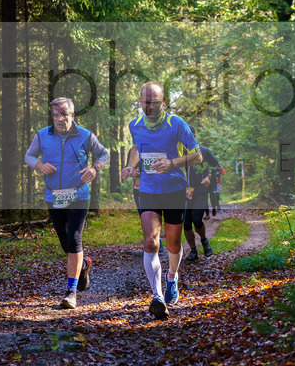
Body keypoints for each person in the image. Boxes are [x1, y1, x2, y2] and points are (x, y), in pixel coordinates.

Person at [120, 82, 201, 320]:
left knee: (173, 245)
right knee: (151, 242)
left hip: (174, 189)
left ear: (163, 102)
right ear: (140, 101)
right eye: (146, 102)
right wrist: (130, 166)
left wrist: (171, 163)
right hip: (148, 189)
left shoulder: (176, 124)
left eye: (154, 102)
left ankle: (172, 277)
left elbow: (197, 155)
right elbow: (136, 147)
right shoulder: (134, 125)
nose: (150, 106)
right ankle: (156, 296)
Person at [25, 97, 109, 310]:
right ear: (52, 116)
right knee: (65, 243)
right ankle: (83, 266)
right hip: (54, 196)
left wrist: (95, 168)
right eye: (56, 115)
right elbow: (29, 156)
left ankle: (71, 292)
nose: (60, 119)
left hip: (79, 195)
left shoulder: (85, 135)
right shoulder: (42, 135)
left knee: (74, 239)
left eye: (64, 114)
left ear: (72, 115)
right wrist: (40, 165)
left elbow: (103, 154)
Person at [184, 144, 221, 262]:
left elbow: (217, 167)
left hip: (200, 191)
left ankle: (204, 240)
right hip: (182, 192)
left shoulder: (204, 151)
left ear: (193, 135)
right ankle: (193, 250)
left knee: (196, 219)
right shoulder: (177, 151)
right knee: (186, 223)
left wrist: (209, 177)